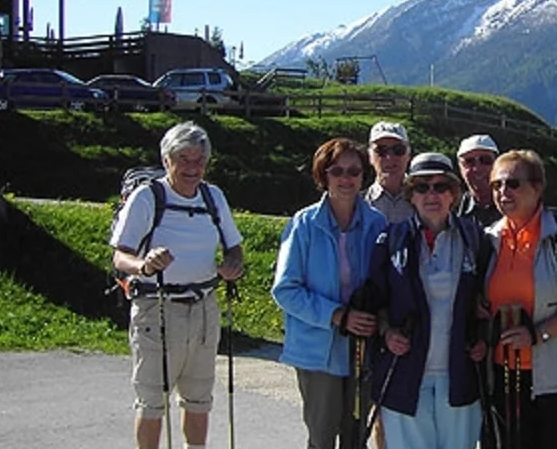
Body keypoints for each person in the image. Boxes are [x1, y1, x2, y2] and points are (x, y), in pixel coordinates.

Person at [110, 121, 245, 449]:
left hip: (203, 310)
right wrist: (143, 265)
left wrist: (233, 266)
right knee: (152, 401)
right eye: (183, 159)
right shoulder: (148, 198)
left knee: (199, 398)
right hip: (156, 309)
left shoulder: (213, 197)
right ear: (166, 160)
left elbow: (234, 248)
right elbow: (120, 256)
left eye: (199, 160)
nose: (192, 167)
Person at [273, 137, 388, 449]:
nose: (346, 179)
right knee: (322, 438)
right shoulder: (304, 224)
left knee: (355, 438)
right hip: (317, 351)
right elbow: (285, 290)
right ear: (323, 176)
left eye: (354, 171)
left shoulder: (377, 224)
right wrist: (338, 315)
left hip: (362, 349)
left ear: (364, 175)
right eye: (337, 171)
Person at [367, 152, 488, 449]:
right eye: (422, 187)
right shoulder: (392, 240)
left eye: (440, 186)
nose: (431, 194)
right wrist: (387, 332)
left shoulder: (476, 240)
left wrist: (483, 337)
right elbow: (375, 301)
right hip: (406, 375)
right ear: (411, 195)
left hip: (459, 375)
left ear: (454, 194)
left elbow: (489, 301)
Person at [483, 149, 557, 449]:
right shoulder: (490, 240)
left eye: (513, 184)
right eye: (496, 185)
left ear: (537, 187)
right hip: (504, 373)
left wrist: (536, 334)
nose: (503, 192)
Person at [366, 121, 415, 224]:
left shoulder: (424, 200)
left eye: (398, 150)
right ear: (370, 157)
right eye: (381, 150)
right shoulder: (359, 204)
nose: (390, 157)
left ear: (408, 155)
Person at [456, 134, 501, 227]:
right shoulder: (451, 211)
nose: (477, 168)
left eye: (485, 160)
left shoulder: (515, 205)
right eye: (469, 161)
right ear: (460, 168)